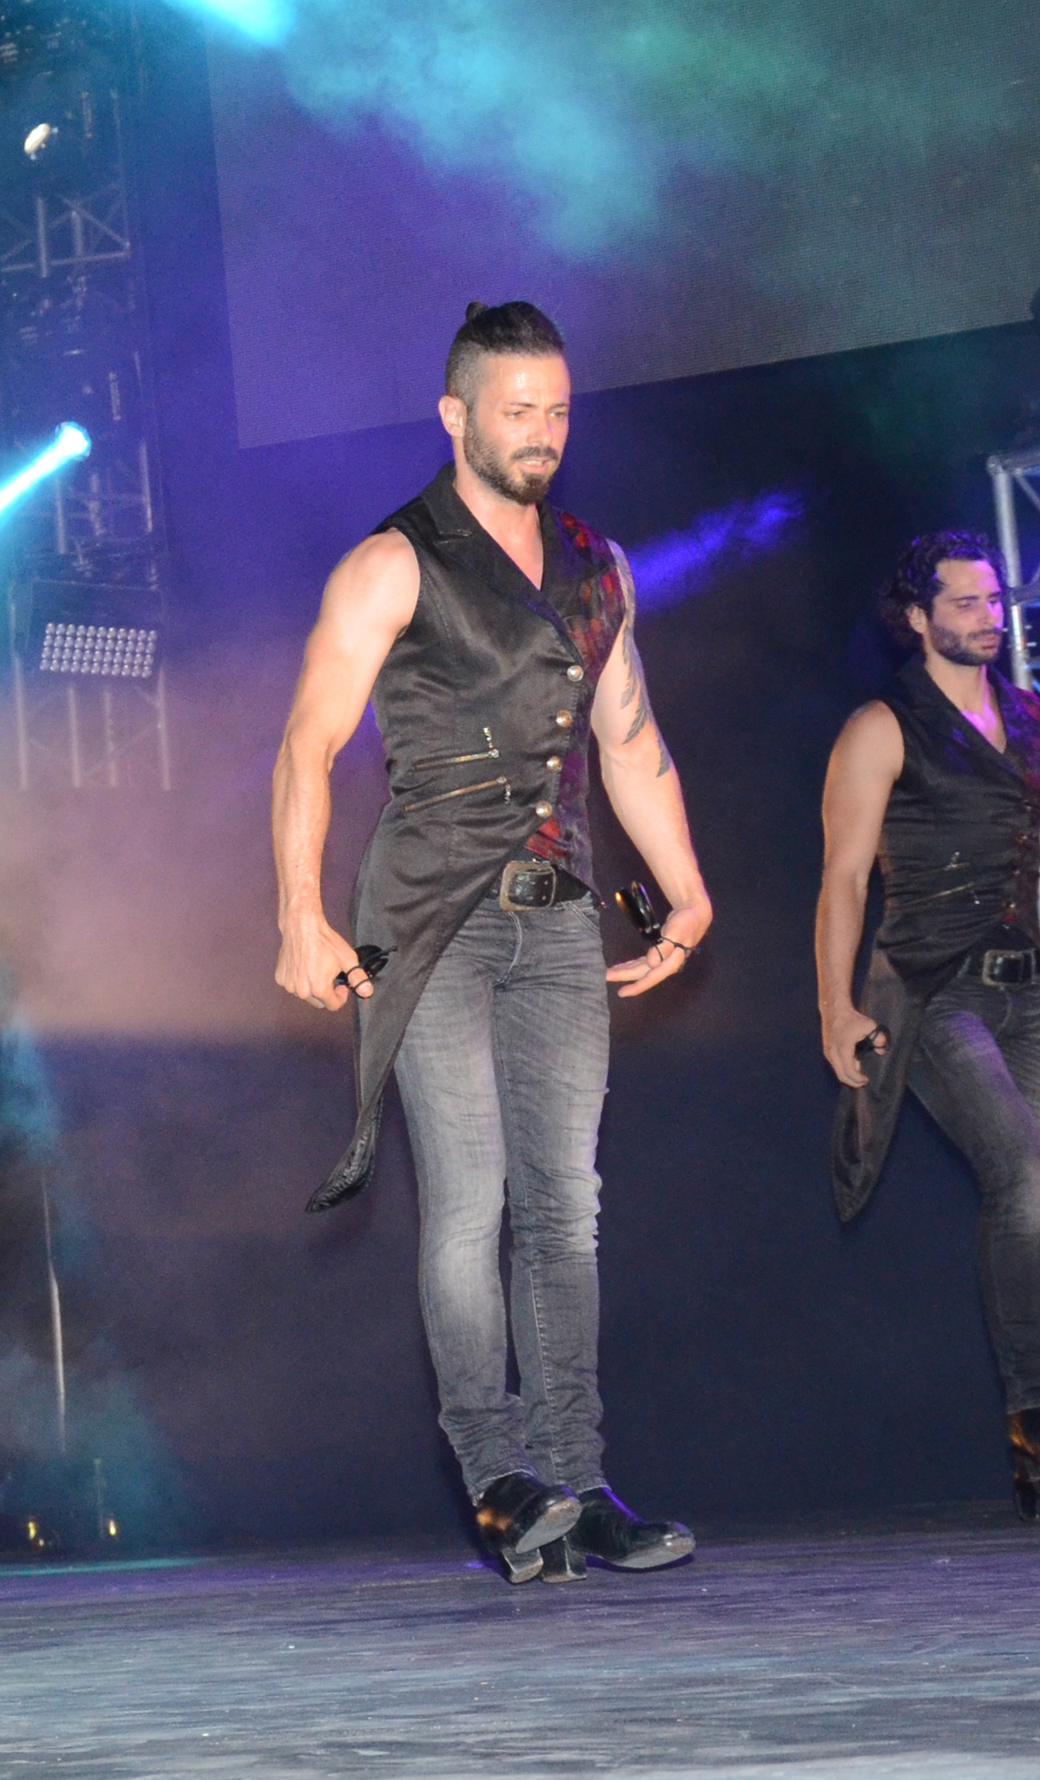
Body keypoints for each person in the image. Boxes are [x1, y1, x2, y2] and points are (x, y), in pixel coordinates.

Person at [271, 301, 715, 1585]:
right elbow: (306, 745)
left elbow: (628, 740)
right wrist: (298, 910)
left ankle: (577, 1478)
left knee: (565, 1209)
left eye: (558, 410)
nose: (542, 432)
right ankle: (500, 1478)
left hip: (561, 918)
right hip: (429, 921)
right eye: (517, 411)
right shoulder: (390, 563)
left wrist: (687, 892)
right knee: (470, 1201)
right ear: (455, 414)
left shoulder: (598, 565)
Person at [814, 531, 1040, 1522]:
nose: (987, 617)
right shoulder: (883, 727)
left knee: (1035, 1198)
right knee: (1019, 1168)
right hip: (931, 993)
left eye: (994, 599)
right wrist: (835, 1003)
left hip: (1024, 995)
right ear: (917, 618)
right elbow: (844, 879)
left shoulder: (1036, 721)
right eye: (964, 602)